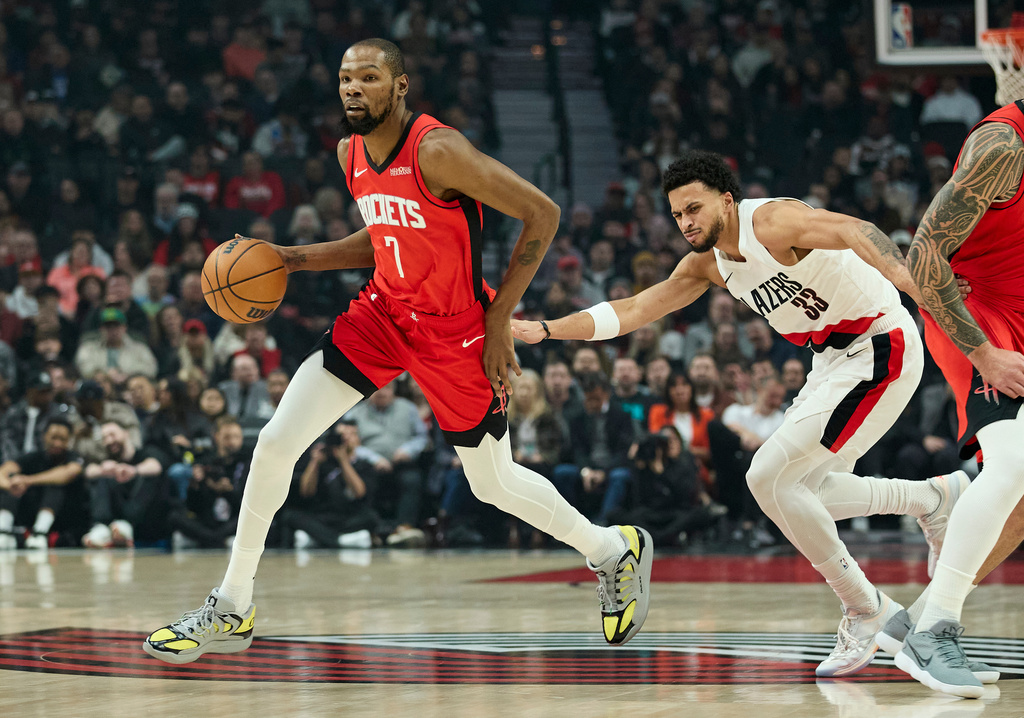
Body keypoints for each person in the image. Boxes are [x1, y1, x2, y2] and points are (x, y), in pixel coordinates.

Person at [143, 39, 652, 666]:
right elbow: (385, 236)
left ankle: (609, 550)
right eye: (345, 78)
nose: (353, 88)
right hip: (383, 314)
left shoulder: (439, 150)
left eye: (369, 77)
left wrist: (498, 322)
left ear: (400, 85)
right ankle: (232, 602)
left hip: (457, 330)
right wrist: (298, 258)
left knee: (491, 484)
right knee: (275, 442)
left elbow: (541, 215)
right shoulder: (348, 152)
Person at [512, 149, 969, 678]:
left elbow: (856, 229)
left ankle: (865, 608)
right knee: (801, 497)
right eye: (678, 214)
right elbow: (634, 310)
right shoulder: (707, 264)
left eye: (694, 208)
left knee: (766, 477)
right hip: (831, 360)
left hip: (879, 343)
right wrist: (547, 330)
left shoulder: (772, 222)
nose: (686, 223)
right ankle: (932, 497)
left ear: (726, 201)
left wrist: (919, 287)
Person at [878, 99, 1024, 697]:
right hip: (971, 312)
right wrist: (985, 355)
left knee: (1018, 508)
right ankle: (936, 629)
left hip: (1015, 309)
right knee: (1015, 463)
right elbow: (923, 258)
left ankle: (910, 623)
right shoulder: (1004, 148)